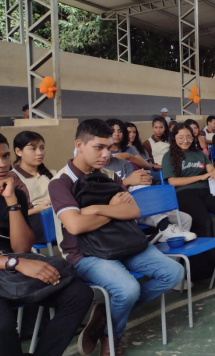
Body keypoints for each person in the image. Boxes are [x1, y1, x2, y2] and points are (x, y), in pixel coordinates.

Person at [49, 119, 184, 355]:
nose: (105, 154)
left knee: (174, 272)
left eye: (109, 147)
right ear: (79, 145)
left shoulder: (111, 176)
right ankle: (113, 334)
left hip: (122, 243)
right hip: (83, 252)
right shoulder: (61, 182)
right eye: (98, 147)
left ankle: (106, 316)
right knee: (128, 290)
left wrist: (96, 209)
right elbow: (76, 225)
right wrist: (112, 209)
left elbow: (133, 211)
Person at [0, 130, 95, 356]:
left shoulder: (13, 192)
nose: (2, 163)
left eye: (5, 156)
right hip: (1, 267)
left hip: (9, 265)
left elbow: (21, 247)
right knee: (0, 329)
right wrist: (15, 263)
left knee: (79, 295)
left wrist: (11, 201)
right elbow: (18, 257)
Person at [162, 123, 215, 283]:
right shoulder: (169, 156)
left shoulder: (198, 153)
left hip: (207, 191)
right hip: (184, 193)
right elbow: (172, 181)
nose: (185, 140)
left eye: (188, 137)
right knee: (205, 222)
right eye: (181, 137)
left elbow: (210, 168)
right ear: (174, 138)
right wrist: (200, 177)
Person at [104, 152, 196, 245]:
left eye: (108, 147)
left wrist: (145, 179)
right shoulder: (97, 170)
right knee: (138, 187)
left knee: (186, 219)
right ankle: (164, 226)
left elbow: (139, 179)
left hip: (143, 207)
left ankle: (174, 255)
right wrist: (127, 181)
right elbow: (105, 195)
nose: (106, 152)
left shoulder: (122, 163)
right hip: (125, 210)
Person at [10, 131, 54, 244]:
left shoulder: (51, 174)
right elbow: (11, 213)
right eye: (33, 148)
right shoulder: (12, 178)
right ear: (18, 151)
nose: (39, 153)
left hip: (56, 214)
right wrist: (37, 209)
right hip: (33, 222)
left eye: (42, 148)